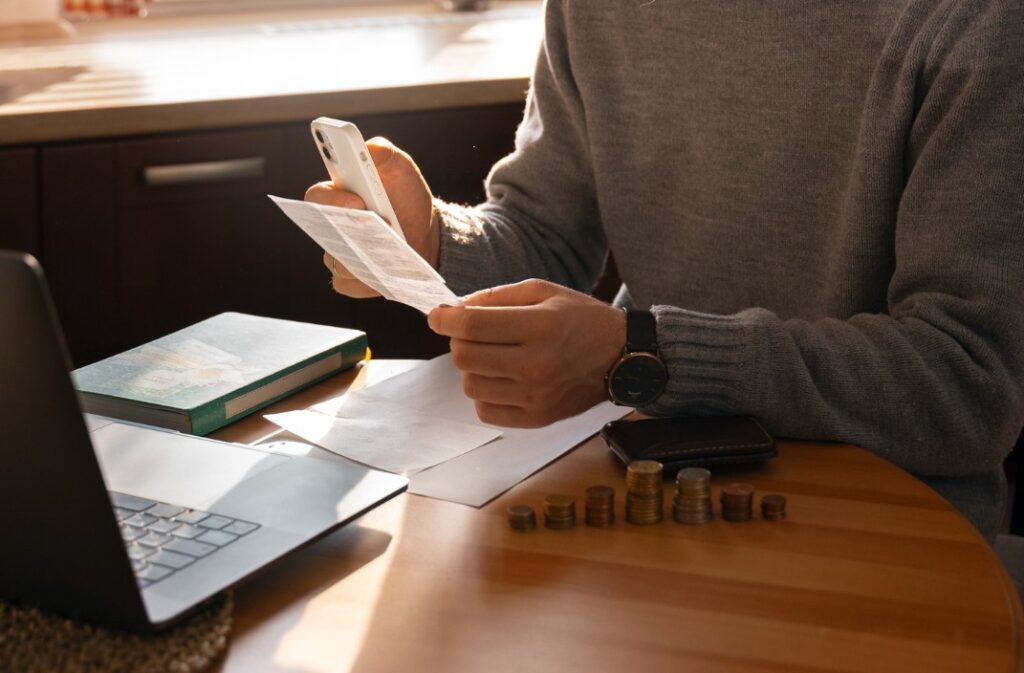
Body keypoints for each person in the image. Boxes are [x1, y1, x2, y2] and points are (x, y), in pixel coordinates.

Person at [306, 1, 1024, 540]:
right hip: (641, 493)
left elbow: (967, 383)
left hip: (895, 530)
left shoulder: (978, 22)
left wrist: (643, 354)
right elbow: (545, 231)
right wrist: (432, 239)